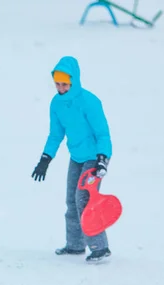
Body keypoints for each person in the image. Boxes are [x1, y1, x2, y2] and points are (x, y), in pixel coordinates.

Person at [31, 56, 113, 263]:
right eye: (57, 84)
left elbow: (102, 133)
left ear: (74, 82)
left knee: (84, 200)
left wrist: (103, 159)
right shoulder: (56, 104)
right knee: (71, 200)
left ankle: (100, 248)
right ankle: (75, 245)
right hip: (76, 157)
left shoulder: (89, 102)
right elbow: (55, 134)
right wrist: (45, 158)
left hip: (95, 158)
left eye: (65, 84)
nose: (61, 88)